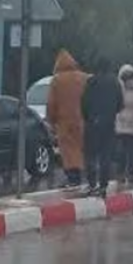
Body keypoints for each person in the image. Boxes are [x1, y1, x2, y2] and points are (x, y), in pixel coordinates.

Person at [46, 50, 89, 188]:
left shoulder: (57, 80)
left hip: (64, 122)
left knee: (68, 151)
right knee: (79, 148)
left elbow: (52, 104)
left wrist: (51, 120)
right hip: (82, 119)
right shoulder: (84, 78)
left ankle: (72, 177)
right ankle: (81, 174)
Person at [81, 63, 123, 198]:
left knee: (90, 155)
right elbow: (120, 104)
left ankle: (92, 183)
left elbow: (84, 103)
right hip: (109, 124)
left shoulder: (91, 82)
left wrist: (89, 117)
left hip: (92, 123)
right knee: (106, 156)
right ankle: (103, 185)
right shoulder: (115, 83)